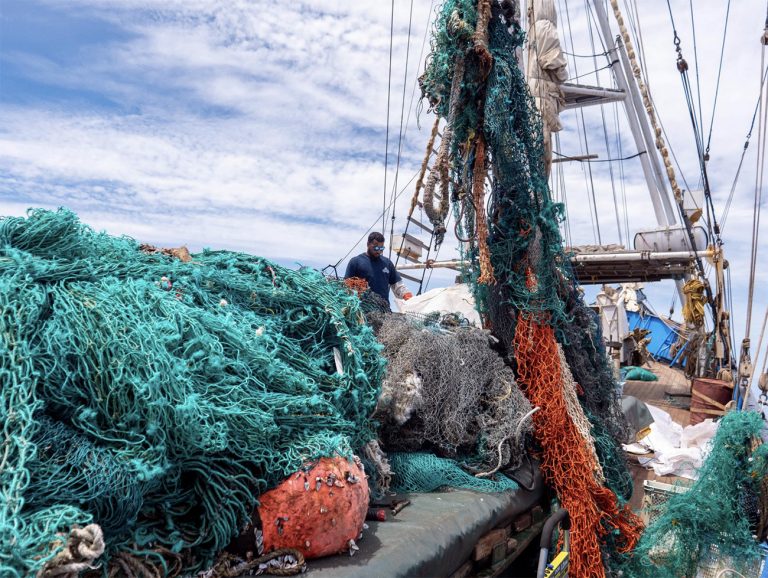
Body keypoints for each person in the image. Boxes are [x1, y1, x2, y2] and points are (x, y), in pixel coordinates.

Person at [345, 232, 413, 306]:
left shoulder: (387, 263)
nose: (379, 251)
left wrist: (406, 295)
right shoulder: (355, 262)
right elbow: (346, 286)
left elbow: (397, 284)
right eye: (376, 247)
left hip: (384, 310)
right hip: (363, 309)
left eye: (381, 248)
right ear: (368, 244)